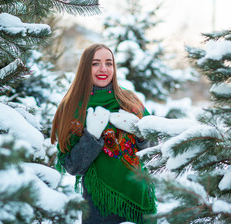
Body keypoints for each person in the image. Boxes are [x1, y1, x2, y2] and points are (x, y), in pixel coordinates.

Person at [51, 43, 156, 224]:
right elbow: (72, 166)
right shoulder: (72, 107)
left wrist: (139, 132)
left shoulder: (130, 101)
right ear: (85, 67)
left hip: (139, 199)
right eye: (95, 63)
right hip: (99, 205)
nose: (103, 69)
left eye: (109, 63)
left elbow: (154, 152)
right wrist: (91, 136)